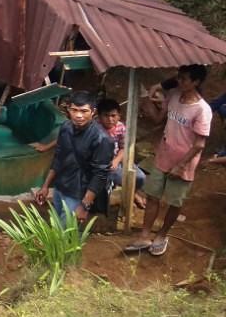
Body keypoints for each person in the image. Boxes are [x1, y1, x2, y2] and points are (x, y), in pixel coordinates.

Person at [125, 65, 211, 256]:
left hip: (183, 164)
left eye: (184, 79)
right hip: (163, 156)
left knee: (174, 202)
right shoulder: (173, 96)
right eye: (178, 78)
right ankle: (145, 235)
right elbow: (158, 119)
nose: (179, 82)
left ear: (196, 83)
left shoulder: (202, 110)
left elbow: (199, 145)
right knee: (153, 196)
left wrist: (181, 165)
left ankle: (162, 235)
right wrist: (147, 101)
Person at [35, 91, 113, 221]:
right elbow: (58, 157)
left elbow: (100, 175)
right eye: (74, 110)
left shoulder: (101, 139)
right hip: (61, 187)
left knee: (67, 235)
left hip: (79, 194)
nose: (78, 115)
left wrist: (85, 205)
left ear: (92, 112)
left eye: (84, 111)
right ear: (68, 110)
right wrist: (45, 186)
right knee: (56, 229)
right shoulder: (66, 128)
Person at [96, 98, 146, 209]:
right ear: (99, 116)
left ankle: (133, 194)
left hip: (119, 158)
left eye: (113, 116)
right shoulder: (94, 129)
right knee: (122, 179)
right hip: (102, 162)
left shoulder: (121, 127)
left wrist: (117, 160)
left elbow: (123, 148)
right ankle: (128, 198)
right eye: (106, 115)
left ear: (119, 115)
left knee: (140, 177)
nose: (110, 119)